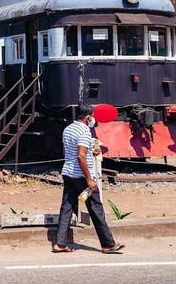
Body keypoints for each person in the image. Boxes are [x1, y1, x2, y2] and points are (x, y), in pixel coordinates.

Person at [53, 103, 124, 254]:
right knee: (96, 207)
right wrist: (89, 179)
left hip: (68, 173)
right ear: (88, 117)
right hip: (81, 176)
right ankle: (108, 244)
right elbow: (81, 156)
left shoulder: (68, 129)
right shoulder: (85, 132)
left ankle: (60, 243)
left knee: (67, 207)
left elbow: (67, 152)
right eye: (92, 116)